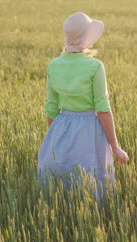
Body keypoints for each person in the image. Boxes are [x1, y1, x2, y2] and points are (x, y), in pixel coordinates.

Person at [38, 12, 129, 204]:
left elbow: (51, 109)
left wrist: (56, 139)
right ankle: (92, 220)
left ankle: (63, 216)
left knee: (64, 180)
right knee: (91, 179)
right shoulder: (95, 67)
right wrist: (115, 146)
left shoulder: (53, 65)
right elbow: (103, 109)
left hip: (61, 126)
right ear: (87, 38)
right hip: (90, 129)